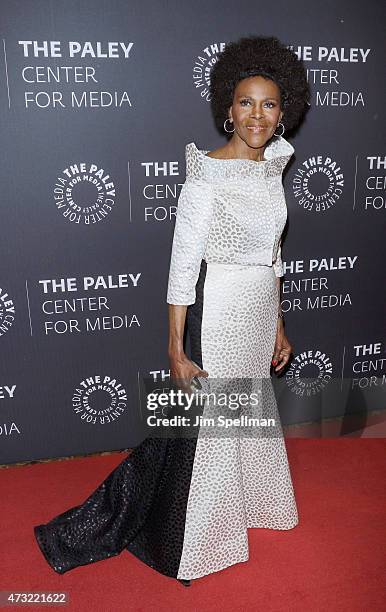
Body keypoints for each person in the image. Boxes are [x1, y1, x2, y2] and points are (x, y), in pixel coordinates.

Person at [34, 35, 310, 587]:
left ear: (283, 113)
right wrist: (175, 350)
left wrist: (279, 322)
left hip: (259, 309)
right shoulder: (206, 175)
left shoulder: (274, 164)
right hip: (223, 308)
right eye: (246, 103)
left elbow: (275, 253)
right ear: (227, 109)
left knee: (246, 409)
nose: (257, 114)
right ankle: (196, 534)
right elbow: (183, 265)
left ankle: (250, 505)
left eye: (269, 104)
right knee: (206, 423)